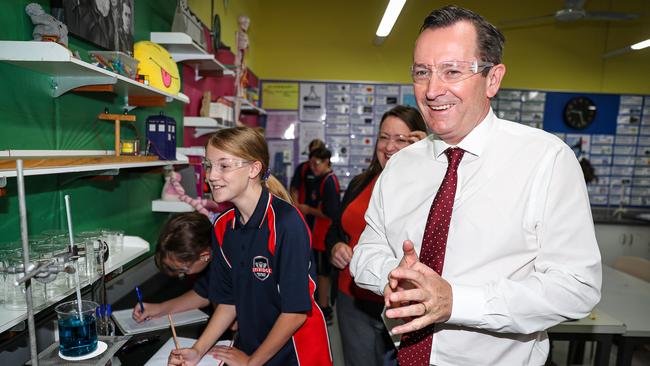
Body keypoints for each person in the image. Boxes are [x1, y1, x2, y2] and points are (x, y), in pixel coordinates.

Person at [349, 6, 601, 366]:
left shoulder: (546, 160)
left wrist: (455, 301)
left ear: (493, 79)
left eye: (452, 71)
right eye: (422, 72)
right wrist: (399, 279)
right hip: (402, 356)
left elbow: (576, 288)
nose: (433, 90)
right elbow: (365, 254)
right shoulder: (402, 165)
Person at [169, 127, 332, 366]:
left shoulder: (287, 223)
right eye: (208, 165)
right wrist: (197, 350)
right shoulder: (223, 226)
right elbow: (228, 301)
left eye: (224, 166)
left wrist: (251, 362)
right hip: (252, 346)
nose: (211, 176)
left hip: (295, 352)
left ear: (254, 169)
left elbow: (295, 313)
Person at [326, 105, 427, 366]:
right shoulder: (361, 182)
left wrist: (429, 162)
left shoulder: (430, 189)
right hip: (352, 299)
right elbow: (336, 228)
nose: (389, 146)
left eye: (401, 139)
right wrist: (335, 246)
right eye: (384, 137)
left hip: (402, 302)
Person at [132, 212, 215, 322]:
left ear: (204, 256)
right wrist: (160, 308)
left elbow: (230, 316)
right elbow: (203, 293)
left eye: (184, 269)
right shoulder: (211, 255)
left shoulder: (230, 262)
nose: (183, 274)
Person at [295, 147, 340, 324]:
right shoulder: (318, 177)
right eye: (311, 163)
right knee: (318, 271)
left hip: (325, 234)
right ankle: (321, 306)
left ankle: (325, 308)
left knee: (323, 272)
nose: (313, 167)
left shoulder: (329, 181)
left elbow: (331, 213)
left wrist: (308, 210)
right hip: (316, 233)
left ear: (327, 161)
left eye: (317, 163)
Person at [289, 138, 326, 204]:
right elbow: (294, 189)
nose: (315, 155)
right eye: (312, 152)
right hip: (303, 209)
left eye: (318, 152)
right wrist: (297, 208)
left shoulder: (326, 170)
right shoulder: (303, 168)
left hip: (319, 211)